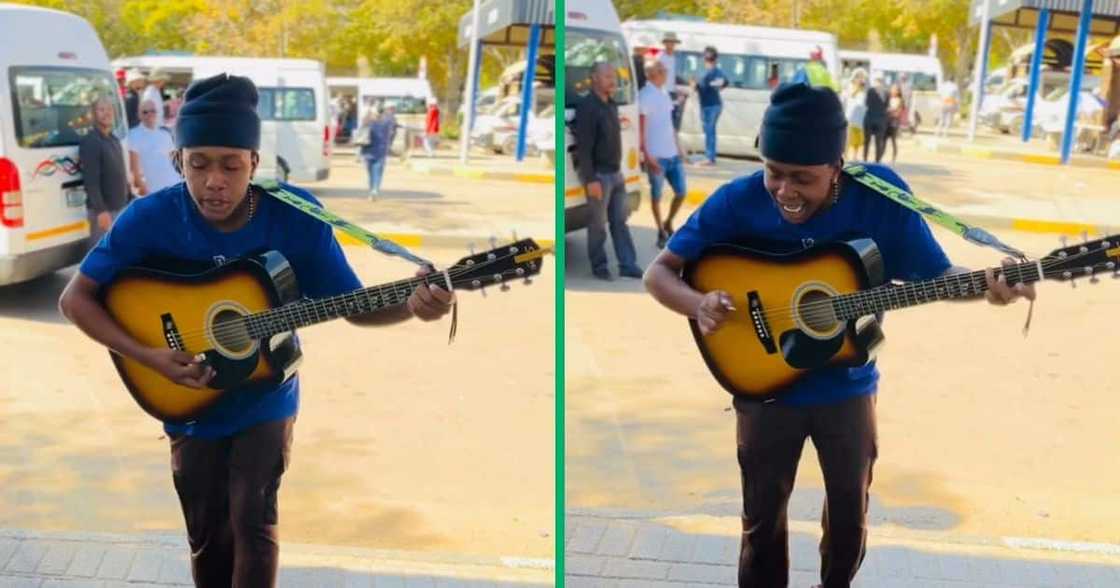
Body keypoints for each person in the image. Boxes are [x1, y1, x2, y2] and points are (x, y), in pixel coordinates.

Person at [58, 74, 453, 588]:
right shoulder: (149, 218)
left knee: (254, 524)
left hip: (266, 395)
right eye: (198, 164)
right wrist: (149, 355)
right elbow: (75, 299)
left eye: (231, 165)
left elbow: (353, 306)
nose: (213, 181)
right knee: (208, 535)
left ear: (255, 163)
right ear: (179, 162)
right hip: (186, 400)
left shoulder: (298, 218)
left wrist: (411, 305)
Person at [643, 82, 1035, 588]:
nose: (785, 191)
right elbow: (659, 273)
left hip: (846, 388)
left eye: (801, 179)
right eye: (774, 173)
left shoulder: (880, 197)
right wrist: (699, 304)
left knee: (850, 523)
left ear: (838, 164)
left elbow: (934, 276)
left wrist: (986, 287)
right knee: (761, 524)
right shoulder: (737, 200)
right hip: (762, 389)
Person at [574, 62, 641, 281]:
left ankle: (628, 265)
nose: (613, 81)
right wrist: (591, 179)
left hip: (616, 173)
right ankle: (599, 266)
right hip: (599, 177)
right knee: (597, 225)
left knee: (620, 222)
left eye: (613, 76)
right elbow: (583, 148)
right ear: (594, 78)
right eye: (607, 77)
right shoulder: (587, 107)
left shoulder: (611, 105)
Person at [639, 59, 688, 249]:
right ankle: (660, 230)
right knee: (656, 195)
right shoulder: (645, 96)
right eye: (661, 69)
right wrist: (647, 155)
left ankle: (668, 222)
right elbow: (641, 130)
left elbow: (669, 124)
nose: (665, 72)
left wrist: (679, 146)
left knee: (681, 192)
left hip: (672, 154)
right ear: (652, 74)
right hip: (656, 156)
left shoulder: (664, 93)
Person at [79, 96, 131, 246]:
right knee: (99, 260)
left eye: (109, 109)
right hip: (103, 212)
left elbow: (120, 173)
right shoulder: (91, 141)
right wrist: (101, 211)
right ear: (93, 115)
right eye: (101, 110)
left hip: (119, 209)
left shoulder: (114, 140)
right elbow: (91, 181)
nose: (106, 113)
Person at [127, 99, 181, 194]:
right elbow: (134, 170)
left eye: (153, 111)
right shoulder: (133, 135)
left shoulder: (165, 134)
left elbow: (174, 162)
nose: (149, 114)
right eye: (145, 112)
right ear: (139, 115)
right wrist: (144, 190)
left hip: (174, 185)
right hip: (154, 191)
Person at [692, 46, 729, 166]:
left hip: (710, 105)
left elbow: (702, 86)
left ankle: (710, 157)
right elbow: (724, 82)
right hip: (712, 104)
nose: (708, 61)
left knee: (709, 131)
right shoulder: (717, 71)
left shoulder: (709, 72)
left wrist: (694, 85)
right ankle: (709, 155)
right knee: (709, 130)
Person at [360, 106, 394, 198]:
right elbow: (391, 119)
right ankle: (375, 190)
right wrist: (387, 113)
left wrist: (368, 113)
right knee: (378, 172)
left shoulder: (368, 122)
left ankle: (372, 190)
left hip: (368, 151)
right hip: (381, 151)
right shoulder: (386, 123)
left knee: (371, 173)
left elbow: (361, 132)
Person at [659, 32, 685, 131]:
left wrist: (678, 89)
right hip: (663, 92)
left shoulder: (675, 57)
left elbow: (676, 76)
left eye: (673, 43)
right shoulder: (661, 57)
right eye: (669, 42)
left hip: (673, 92)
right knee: (664, 119)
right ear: (665, 43)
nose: (671, 45)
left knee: (674, 120)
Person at [863, 74, 888, 162]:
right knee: (879, 142)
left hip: (870, 117)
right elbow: (886, 106)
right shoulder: (886, 92)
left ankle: (865, 160)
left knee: (867, 141)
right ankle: (877, 161)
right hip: (881, 119)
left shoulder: (870, 91)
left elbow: (866, 103)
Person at [844, 74, 867, 161]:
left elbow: (863, 105)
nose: (859, 83)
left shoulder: (863, 93)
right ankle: (845, 154)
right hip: (850, 117)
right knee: (848, 138)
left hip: (859, 119)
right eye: (857, 81)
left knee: (857, 139)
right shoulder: (849, 91)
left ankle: (854, 155)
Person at [885, 83, 906, 165]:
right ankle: (881, 157)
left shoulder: (900, 100)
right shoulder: (888, 98)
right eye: (892, 89)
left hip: (894, 123)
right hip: (886, 122)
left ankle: (893, 158)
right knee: (883, 140)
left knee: (893, 141)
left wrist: (890, 111)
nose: (893, 91)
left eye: (895, 89)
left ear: (898, 91)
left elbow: (898, 113)